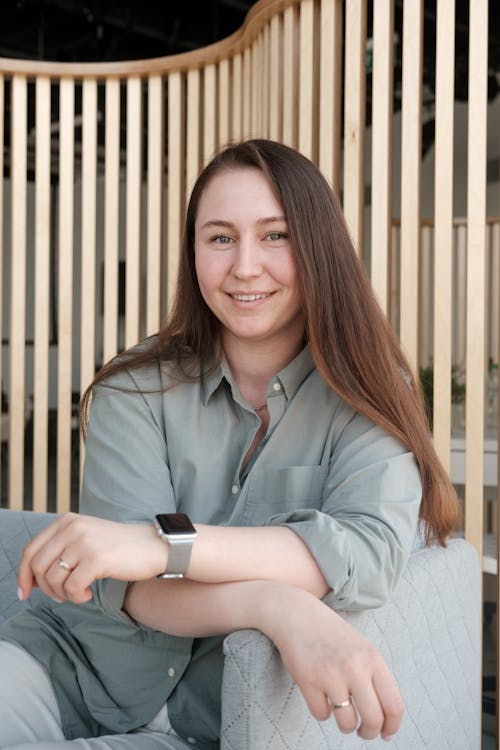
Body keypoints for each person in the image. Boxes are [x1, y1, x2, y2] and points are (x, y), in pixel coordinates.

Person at [0, 139, 458, 749]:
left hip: (220, 715)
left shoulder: (367, 393)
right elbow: (126, 587)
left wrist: (155, 543)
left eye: (276, 236)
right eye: (220, 238)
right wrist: (272, 603)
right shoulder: (134, 387)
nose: (245, 266)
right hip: (68, 667)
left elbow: (363, 553)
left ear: (319, 249)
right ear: (194, 254)